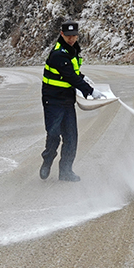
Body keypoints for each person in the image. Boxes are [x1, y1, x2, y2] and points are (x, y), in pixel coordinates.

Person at [39, 20, 104, 182]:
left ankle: (66, 171)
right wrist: (90, 91)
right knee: (54, 134)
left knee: (71, 137)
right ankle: (47, 160)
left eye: (74, 35)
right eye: (68, 36)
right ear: (62, 34)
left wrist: (82, 77)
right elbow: (69, 75)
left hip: (67, 99)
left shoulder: (72, 49)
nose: (71, 39)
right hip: (52, 100)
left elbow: (73, 72)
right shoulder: (58, 54)